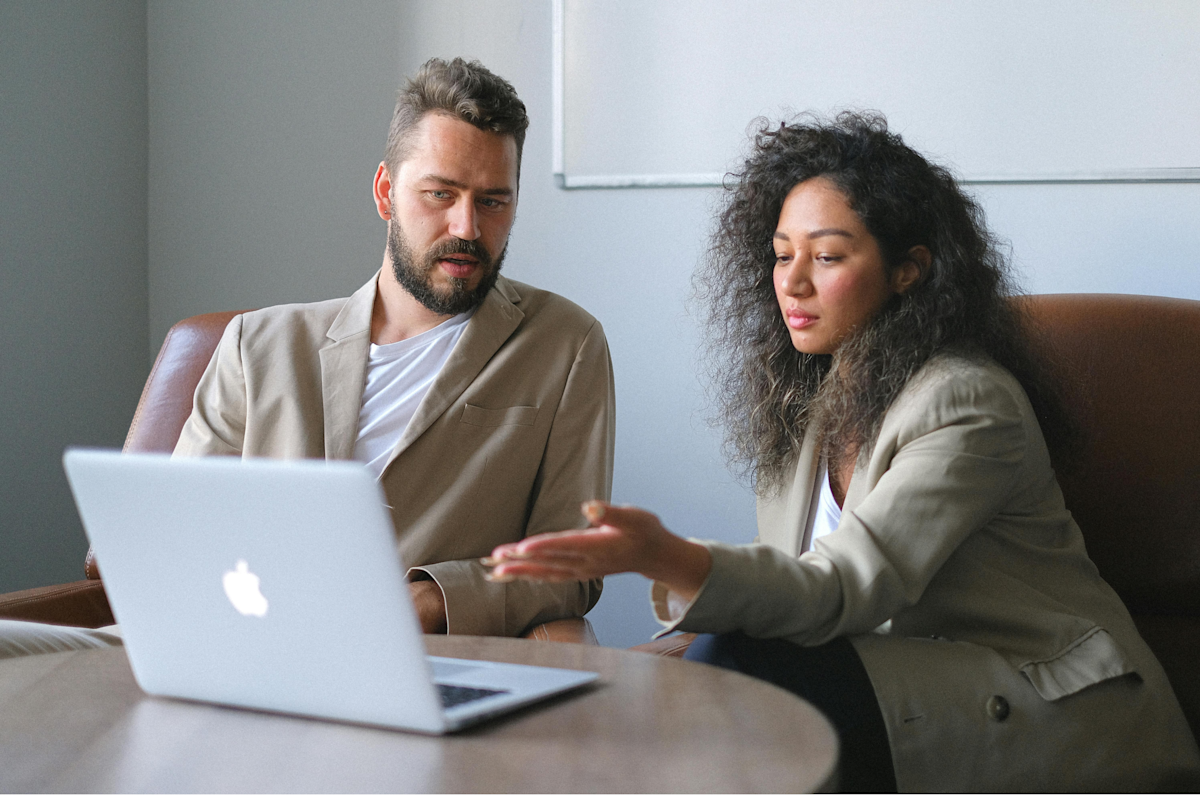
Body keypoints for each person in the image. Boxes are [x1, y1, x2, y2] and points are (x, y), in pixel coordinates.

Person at [485, 113, 1200, 792]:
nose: (792, 282)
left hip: (1056, 709)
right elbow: (788, 600)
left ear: (909, 270)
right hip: (900, 688)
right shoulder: (808, 403)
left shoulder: (967, 404)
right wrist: (630, 670)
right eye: (781, 254)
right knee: (674, 690)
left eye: (826, 256)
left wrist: (664, 555)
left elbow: (842, 590)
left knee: (739, 675)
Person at [0, 56, 613, 656]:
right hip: (202, 637)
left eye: (493, 201)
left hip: (393, 660)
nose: (467, 227)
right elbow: (175, 534)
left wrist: (423, 602)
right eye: (439, 193)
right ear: (385, 192)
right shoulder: (258, 344)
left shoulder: (563, 344)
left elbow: (573, 565)